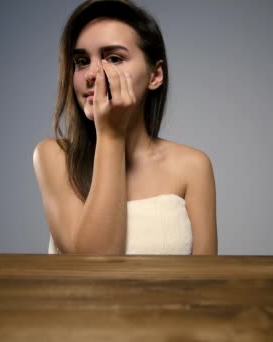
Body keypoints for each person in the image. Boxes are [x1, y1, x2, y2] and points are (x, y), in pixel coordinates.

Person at [33, 0, 217, 255]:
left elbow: (206, 284)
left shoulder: (193, 166)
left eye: (114, 58)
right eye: (82, 61)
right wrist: (111, 135)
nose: (90, 74)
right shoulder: (54, 156)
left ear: (155, 76)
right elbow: (90, 268)